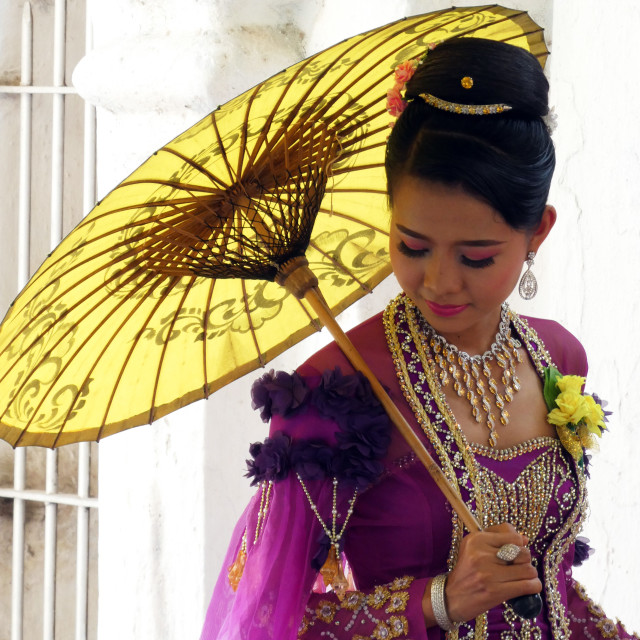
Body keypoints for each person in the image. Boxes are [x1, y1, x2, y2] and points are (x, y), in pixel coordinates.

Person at [200, 38, 638, 639]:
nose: (438, 282)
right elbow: (267, 614)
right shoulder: (337, 392)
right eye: (412, 246)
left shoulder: (557, 358)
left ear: (538, 232)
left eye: (477, 256)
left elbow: (554, 584)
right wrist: (437, 602)